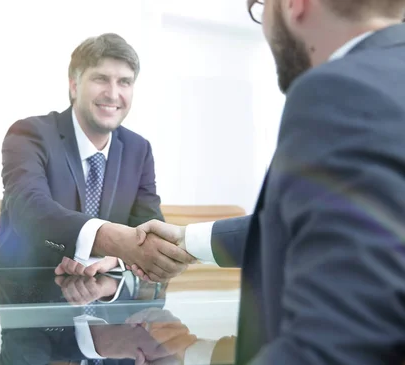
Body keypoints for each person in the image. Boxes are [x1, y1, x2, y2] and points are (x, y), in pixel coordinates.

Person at [130, 0, 405, 363]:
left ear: (293, 4)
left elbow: (339, 343)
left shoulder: (341, 88)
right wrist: (189, 240)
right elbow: (350, 223)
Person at [0, 33, 192, 280]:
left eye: (125, 82)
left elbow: (147, 226)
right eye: (101, 79)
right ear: (74, 85)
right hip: (29, 292)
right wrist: (112, 242)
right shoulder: (30, 134)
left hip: (106, 299)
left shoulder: (138, 149)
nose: (113, 93)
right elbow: (29, 211)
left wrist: (114, 257)